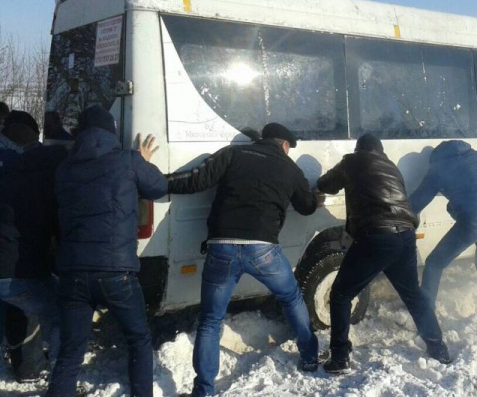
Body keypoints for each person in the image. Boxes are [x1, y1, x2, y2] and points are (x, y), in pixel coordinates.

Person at [167, 122, 323, 396]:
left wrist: (158, 181)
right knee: (290, 297)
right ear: (284, 145)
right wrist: (316, 200)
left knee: (211, 320)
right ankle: (310, 357)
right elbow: (305, 206)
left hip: (222, 246)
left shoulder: (234, 155)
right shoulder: (290, 168)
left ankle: (203, 389)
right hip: (263, 250)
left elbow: (195, 180)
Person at [47, 106, 167, 397]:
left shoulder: (64, 169)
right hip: (116, 273)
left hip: (72, 273)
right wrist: (141, 160)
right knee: (138, 339)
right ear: (112, 131)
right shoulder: (127, 161)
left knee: (71, 349)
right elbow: (159, 187)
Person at [317, 134, 451, 375]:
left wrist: (314, 187)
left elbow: (327, 184)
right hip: (406, 234)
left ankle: (339, 358)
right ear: (380, 151)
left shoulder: (352, 161)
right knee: (412, 293)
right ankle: (437, 347)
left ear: (359, 149)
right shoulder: (392, 167)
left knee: (340, 294)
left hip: (377, 235)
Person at [408, 140, 477, 324]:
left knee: (434, 263)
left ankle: (425, 319)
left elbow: (417, 201)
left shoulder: (439, 167)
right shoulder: (476, 155)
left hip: (473, 219)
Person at [0, 112, 65, 381]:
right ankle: (59, 379)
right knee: (65, 311)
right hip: (18, 271)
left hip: (10, 270)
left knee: (16, 305)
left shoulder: (8, 175)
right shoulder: (38, 180)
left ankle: (27, 365)